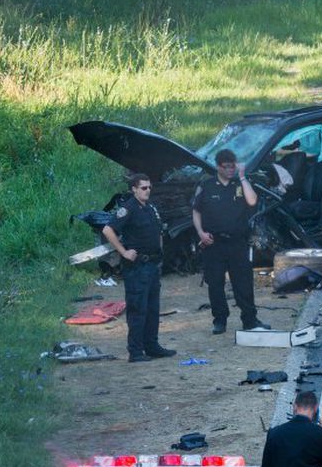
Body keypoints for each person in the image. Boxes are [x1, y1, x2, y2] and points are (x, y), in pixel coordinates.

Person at [192, 149, 267, 335]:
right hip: (214, 243)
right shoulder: (207, 185)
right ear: (218, 167)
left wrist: (242, 177)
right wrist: (200, 232)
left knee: (243, 282)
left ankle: (249, 319)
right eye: (226, 167)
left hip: (237, 242)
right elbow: (196, 210)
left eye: (233, 166)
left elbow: (252, 201)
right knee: (215, 283)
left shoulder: (239, 183)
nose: (230, 170)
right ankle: (220, 320)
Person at [101, 174, 175, 363]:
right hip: (137, 267)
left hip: (152, 264)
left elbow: (158, 232)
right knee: (137, 309)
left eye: (149, 187)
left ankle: (152, 346)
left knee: (152, 308)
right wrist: (123, 252)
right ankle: (135, 351)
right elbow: (108, 230)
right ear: (133, 189)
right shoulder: (128, 209)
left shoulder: (150, 208)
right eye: (143, 188)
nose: (148, 190)